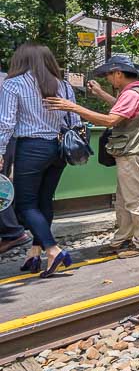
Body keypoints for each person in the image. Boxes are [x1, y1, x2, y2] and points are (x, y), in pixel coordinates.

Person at [46, 56, 139, 259]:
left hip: (133, 152)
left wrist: (73, 107)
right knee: (125, 200)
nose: (108, 79)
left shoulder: (132, 94)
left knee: (136, 200)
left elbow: (110, 120)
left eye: (109, 74)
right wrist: (100, 93)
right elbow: (121, 108)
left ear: (118, 73)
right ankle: (123, 238)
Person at [0, 44, 77, 276]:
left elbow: (5, 123)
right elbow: (73, 120)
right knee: (44, 201)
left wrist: (0, 151)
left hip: (31, 148)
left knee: (25, 206)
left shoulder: (13, 84)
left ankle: (53, 250)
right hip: (58, 148)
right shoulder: (62, 85)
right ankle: (34, 252)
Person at [0, 59, 31, 255]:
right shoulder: (8, 80)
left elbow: (6, 120)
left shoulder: (8, 82)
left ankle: (12, 231)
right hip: (10, 139)